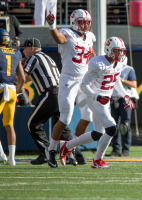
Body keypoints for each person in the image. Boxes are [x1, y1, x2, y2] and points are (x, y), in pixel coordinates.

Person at [58, 36, 135, 169]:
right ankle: (97, 160)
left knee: (97, 133)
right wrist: (97, 97)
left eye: (121, 51)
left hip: (105, 100)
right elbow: (84, 86)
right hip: (95, 99)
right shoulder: (98, 63)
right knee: (112, 128)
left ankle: (66, 146)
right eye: (116, 51)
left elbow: (115, 79)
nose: (119, 54)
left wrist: (126, 95)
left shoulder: (120, 62)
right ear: (108, 50)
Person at [44, 9, 96, 168]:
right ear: (74, 22)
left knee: (88, 116)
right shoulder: (67, 33)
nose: (85, 25)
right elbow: (59, 38)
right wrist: (52, 26)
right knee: (65, 117)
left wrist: (100, 67)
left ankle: (70, 147)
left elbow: (92, 54)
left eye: (87, 22)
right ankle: (51, 149)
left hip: (83, 81)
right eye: (82, 22)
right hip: (68, 80)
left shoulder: (89, 37)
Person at [22, 38, 86, 165]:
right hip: (62, 93)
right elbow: (32, 77)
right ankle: (77, 155)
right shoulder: (47, 58)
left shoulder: (33, 58)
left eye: (24, 49)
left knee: (32, 124)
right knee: (61, 126)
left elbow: (23, 77)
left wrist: (17, 65)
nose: (23, 52)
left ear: (32, 49)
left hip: (50, 93)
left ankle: (47, 152)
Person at [0, 28, 25, 165]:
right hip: (11, 90)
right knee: (9, 124)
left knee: (8, 124)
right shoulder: (16, 52)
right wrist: (15, 92)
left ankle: (1, 155)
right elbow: (22, 79)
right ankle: (12, 159)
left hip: (1, 88)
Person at [108, 56, 138, 157]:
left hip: (126, 98)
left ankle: (125, 150)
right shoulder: (110, 68)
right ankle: (115, 149)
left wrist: (120, 80)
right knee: (114, 125)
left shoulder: (129, 69)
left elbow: (134, 84)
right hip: (113, 98)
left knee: (125, 125)